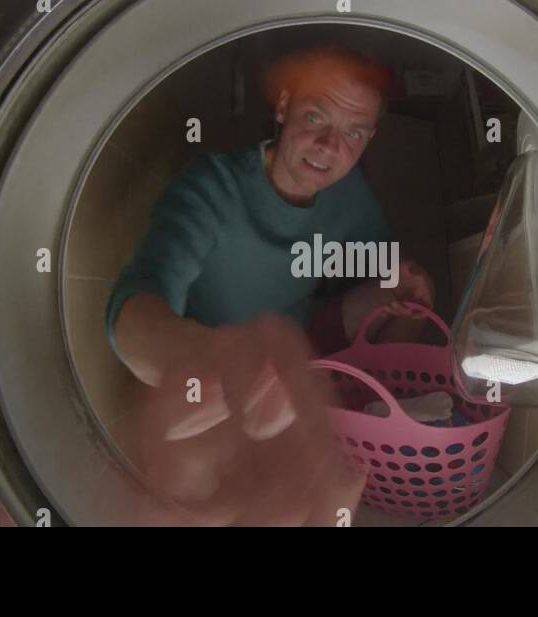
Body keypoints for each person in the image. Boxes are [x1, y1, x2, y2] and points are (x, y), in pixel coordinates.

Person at [106, 47, 434, 525]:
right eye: (316, 116)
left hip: (301, 346)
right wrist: (220, 358)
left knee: (407, 294)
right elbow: (138, 305)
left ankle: (373, 423)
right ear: (283, 108)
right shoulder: (212, 186)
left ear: (368, 139)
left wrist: (402, 279)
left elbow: (379, 267)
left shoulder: (351, 200)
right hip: (205, 368)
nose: (327, 146)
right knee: (191, 468)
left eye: (352, 132)